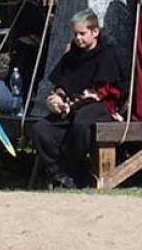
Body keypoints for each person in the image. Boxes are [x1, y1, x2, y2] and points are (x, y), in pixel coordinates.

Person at [29, 10, 126, 189]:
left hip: (100, 106)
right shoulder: (71, 56)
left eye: (82, 33)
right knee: (41, 129)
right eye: (75, 34)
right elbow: (62, 85)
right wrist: (57, 98)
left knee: (81, 123)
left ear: (94, 32)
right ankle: (59, 173)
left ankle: (74, 170)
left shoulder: (107, 54)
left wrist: (86, 99)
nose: (78, 38)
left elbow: (109, 90)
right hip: (71, 108)